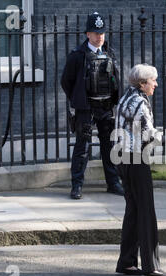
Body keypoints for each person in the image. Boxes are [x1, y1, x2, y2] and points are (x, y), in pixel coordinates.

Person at [113, 64, 166, 276]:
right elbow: (148, 135)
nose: (156, 84)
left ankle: (127, 262)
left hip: (122, 158)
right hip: (136, 159)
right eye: (152, 81)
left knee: (133, 210)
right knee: (146, 211)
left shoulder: (125, 98)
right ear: (142, 83)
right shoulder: (139, 103)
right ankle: (152, 266)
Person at [61, 12, 124, 199]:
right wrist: (78, 99)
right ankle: (77, 185)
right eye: (96, 33)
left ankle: (113, 183)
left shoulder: (109, 52)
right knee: (82, 146)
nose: (100, 36)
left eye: (102, 32)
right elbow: (66, 81)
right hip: (86, 107)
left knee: (109, 145)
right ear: (88, 34)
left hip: (105, 106)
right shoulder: (77, 56)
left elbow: (116, 78)